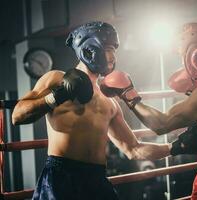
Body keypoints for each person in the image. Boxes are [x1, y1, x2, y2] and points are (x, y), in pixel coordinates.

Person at [12, 21, 171, 200]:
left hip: (96, 179)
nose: (113, 57)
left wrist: (177, 147)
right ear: (89, 49)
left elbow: (134, 149)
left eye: (114, 50)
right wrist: (56, 97)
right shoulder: (56, 79)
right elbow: (17, 116)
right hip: (61, 176)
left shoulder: (110, 101)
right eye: (108, 49)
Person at [99, 22, 197, 200]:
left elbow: (161, 124)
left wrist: (128, 94)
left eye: (182, 54)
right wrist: (193, 89)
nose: (182, 60)